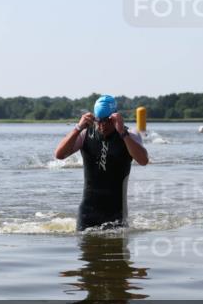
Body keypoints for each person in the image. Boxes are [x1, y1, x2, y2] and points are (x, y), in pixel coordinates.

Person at [54, 94, 148, 231]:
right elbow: (59, 154)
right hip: (87, 213)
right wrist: (77, 128)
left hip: (117, 213)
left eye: (107, 121)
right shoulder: (85, 133)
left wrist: (122, 132)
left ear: (115, 117)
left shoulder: (130, 135)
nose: (102, 125)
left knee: (116, 252)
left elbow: (143, 160)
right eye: (98, 121)